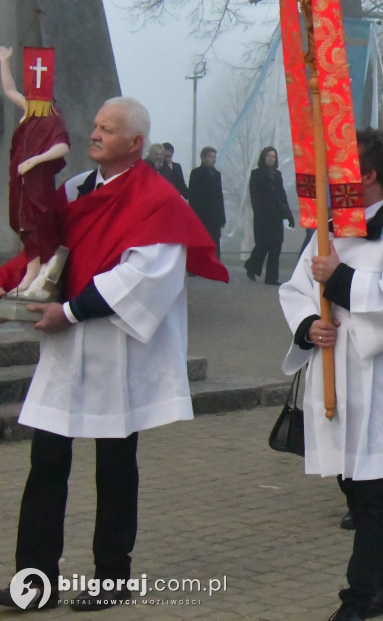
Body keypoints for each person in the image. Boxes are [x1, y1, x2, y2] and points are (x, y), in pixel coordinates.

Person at [0, 96, 227, 611]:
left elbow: (142, 279)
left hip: (118, 348)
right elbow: (44, 252)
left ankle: (111, 578)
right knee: (46, 460)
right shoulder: (76, 189)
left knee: (115, 465)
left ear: (135, 143)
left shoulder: (159, 202)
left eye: (108, 128)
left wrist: (71, 312)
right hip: (65, 350)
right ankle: (35, 582)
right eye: (95, 124)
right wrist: (13, 287)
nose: (95, 133)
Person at [279, 128, 383, 621]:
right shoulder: (330, 229)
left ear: (368, 176)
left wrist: (342, 280)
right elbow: (296, 290)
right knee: (355, 488)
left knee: (374, 498)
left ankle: (357, 600)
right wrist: (309, 325)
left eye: (340, 171)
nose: (328, 180)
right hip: (336, 378)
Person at [0, 45, 69, 295]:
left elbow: (62, 146)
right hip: (20, 180)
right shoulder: (32, 109)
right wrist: (4, 62)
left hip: (37, 182)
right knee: (21, 223)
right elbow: (9, 90)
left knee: (35, 223)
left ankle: (35, 273)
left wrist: (35, 161)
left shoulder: (52, 115)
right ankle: (33, 270)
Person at [245, 146, 295, 285]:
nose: (271, 159)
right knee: (262, 245)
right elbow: (254, 196)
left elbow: (282, 195)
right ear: (263, 157)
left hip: (276, 217)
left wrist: (289, 215)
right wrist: (260, 214)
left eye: (273, 156)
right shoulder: (256, 174)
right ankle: (252, 266)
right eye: (268, 156)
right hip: (263, 216)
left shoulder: (277, 175)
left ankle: (271, 278)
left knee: (276, 246)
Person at [188, 146, 226, 257]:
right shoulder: (196, 174)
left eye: (215, 157)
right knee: (198, 240)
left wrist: (222, 217)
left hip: (214, 216)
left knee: (214, 241)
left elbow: (219, 197)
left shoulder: (217, 175)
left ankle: (215, 264)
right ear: (204, 158)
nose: (213, 159)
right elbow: (193, 195)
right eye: (211, 156)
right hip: (200, 213)